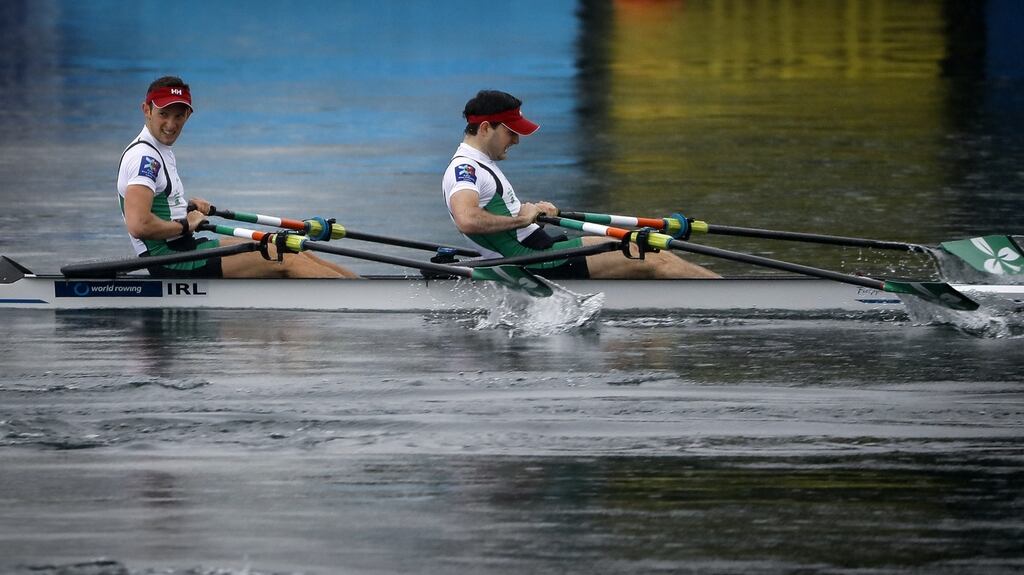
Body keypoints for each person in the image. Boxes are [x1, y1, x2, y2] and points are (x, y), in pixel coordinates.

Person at [441, 90, 718, 279]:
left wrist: (535, 215)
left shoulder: (480, 166)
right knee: (650, 255)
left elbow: (501, 217)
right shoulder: (465, 169)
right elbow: (468, 219)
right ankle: (745, 299)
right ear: (486, 128)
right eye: (511, 132)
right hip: (534, 261)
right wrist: (522, 220)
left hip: (541, 250)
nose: (516, 140)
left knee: (641, 248)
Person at [117, 76, 358, 278]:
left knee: (292, 249)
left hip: (184, 248)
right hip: (170, 261)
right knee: (282, 256)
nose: (171, 124)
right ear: (146, 110)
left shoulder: (158, 150)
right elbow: (139, 225)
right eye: (164, 114)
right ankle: (368, 298)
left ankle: (364, 286)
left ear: (188, 116)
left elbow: (158, 202)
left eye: (179, 116)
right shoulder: (145, 159)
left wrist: (185, 206)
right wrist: (184, 224)